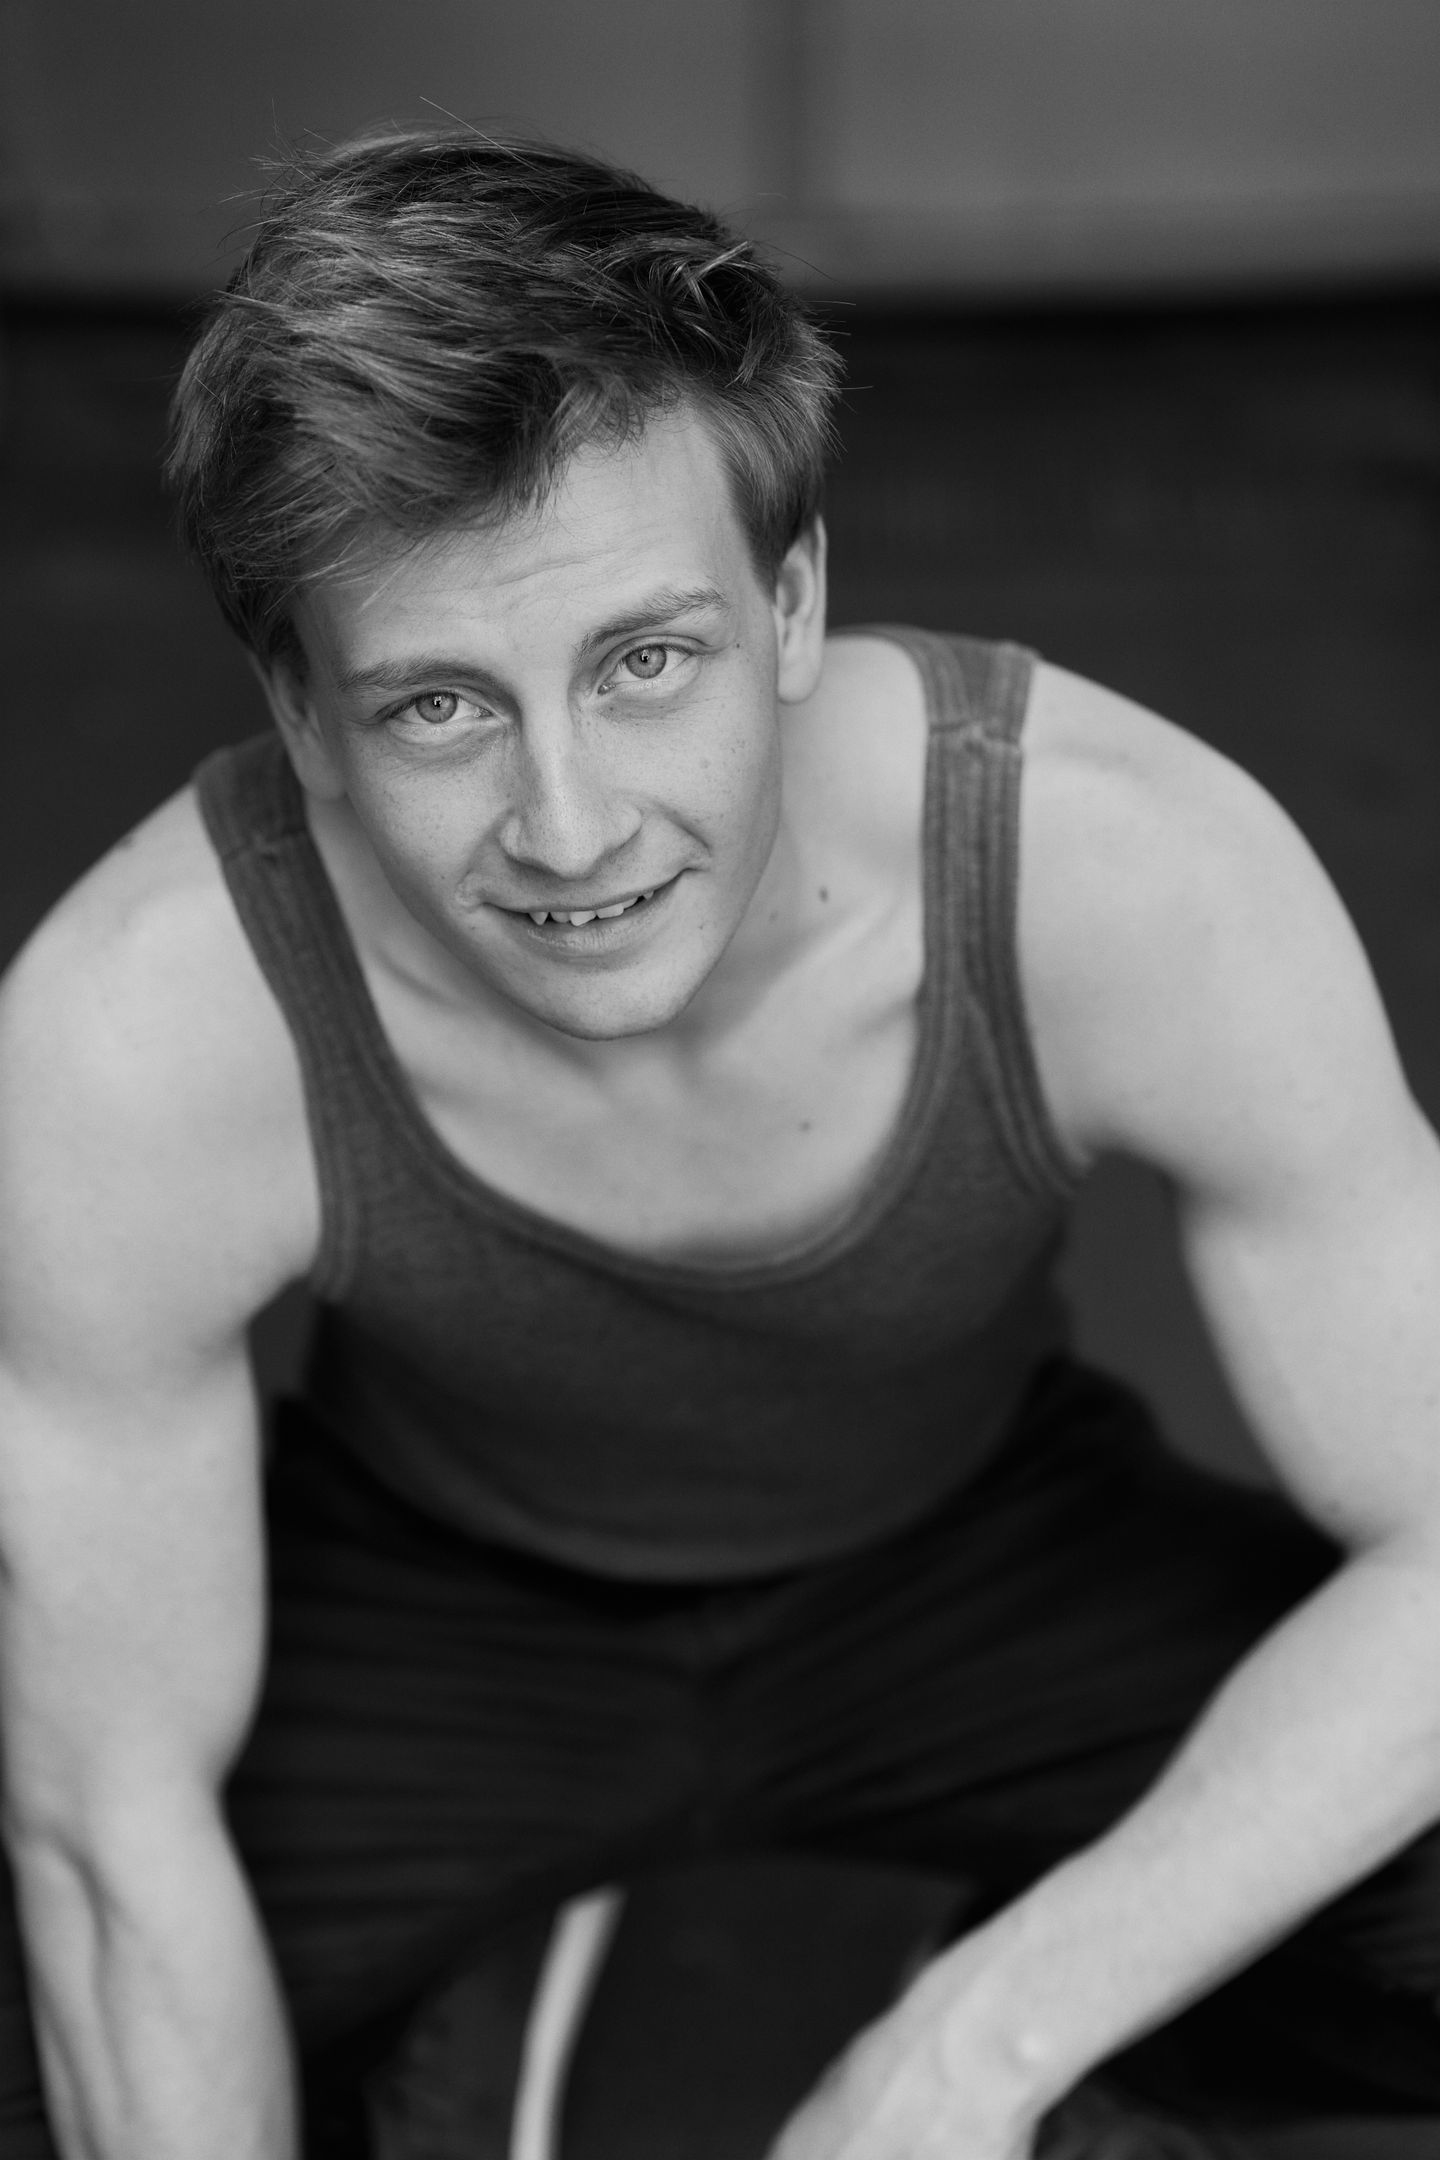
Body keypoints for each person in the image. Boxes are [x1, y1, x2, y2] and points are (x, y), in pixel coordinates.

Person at [0, 126, 1437, 2160]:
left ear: (792, 604)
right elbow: (108, 1824)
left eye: (645, 661)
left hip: (970, 1565)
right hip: (427, 1622)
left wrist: (982, 2047)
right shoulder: (138, 1032)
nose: (572, 827)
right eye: (436, 709)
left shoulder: (1119, 872)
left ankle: (1040, 2027)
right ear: (303, 718)